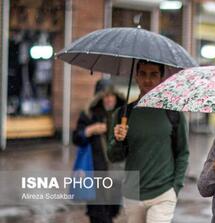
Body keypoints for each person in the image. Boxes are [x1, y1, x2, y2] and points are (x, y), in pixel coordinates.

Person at [107, 60, 189, 223]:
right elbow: (113, 157)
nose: (148, 79)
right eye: (143, 74)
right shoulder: (123, 114)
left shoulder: (173, 113)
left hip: (163, 192)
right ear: (136, 76)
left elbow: (182, 153)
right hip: (133, 192)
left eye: (154, 74)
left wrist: (175, 187)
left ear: (161, 78)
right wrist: (118, 140)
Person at [72, 79, 125, 223]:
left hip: (115, 176)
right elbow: (76, 138)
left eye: (111, 96)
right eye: (105, 96)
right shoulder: (89, 115)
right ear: (99, 98)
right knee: (98, 215)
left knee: (111, 212)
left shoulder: (122, 116)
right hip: (95, 174)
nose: (109, 100)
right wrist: (91, 130)